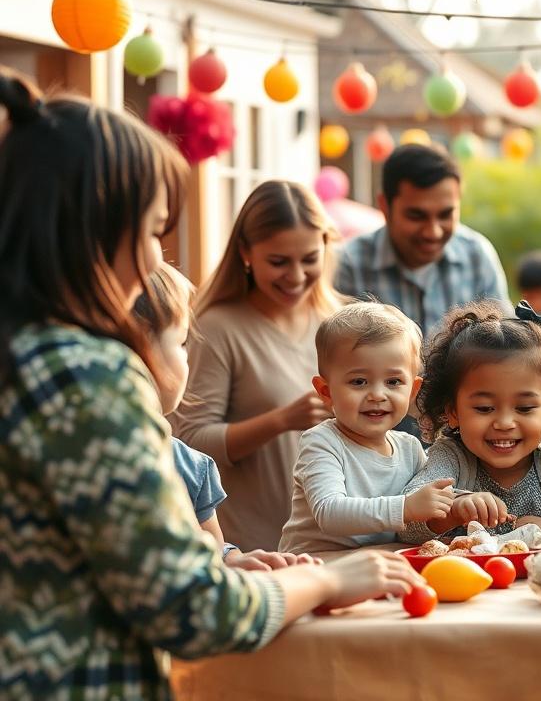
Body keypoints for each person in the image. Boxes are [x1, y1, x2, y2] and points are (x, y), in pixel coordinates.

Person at [0, 70, 420, 698]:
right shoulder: (82, 376)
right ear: (94, 230)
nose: (153, 261)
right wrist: (329, 581)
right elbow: (198, 612)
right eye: (150, 232)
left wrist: (220, 562)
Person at [170, 181, 345, 552]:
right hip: (256, 550)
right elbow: (189, 444)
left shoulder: (340, 323)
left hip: (341, 544)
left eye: (309, 259)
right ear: (245, 253)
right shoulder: (217, 328)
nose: (296, 276)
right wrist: (280, 421)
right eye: (279, 262)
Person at [133, 262, 320, 571]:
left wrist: (235, 558)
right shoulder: (175, 465)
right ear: (142, 350)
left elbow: (214, 556)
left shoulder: (192, 467)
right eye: (181, 343)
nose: (297, 274)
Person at [398, 301, 541, 543]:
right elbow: (406, 522)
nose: (505, 422)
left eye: (524, 408)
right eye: (485, 408)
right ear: (453, 412)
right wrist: (455, 508)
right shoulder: (451, 457)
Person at [280, 302, 456, 554]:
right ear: (326, 392)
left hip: (380, 569)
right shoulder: (322, 442)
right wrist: (405, 508)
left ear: (412, 391)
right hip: (316, 568)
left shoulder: (410, 448)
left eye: (393, 381)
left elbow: (427, 500)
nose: (377, 395)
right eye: (359, 381)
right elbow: (329, 513)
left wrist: (462, 501)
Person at [335, 144, 510, 337]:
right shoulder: (349, 263)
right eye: (416, 216)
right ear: (385, 207)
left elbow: (502, 343)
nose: (432, 232)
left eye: (445, 215)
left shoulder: (477, 255)